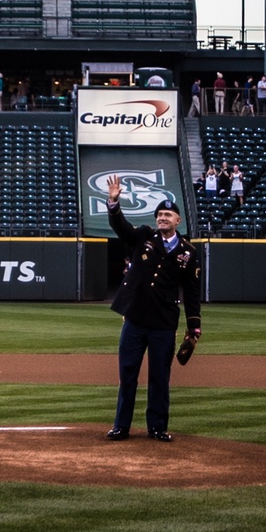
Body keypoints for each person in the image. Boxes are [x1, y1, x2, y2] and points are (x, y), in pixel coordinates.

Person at [104, 176, 201, 442]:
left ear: (178, 220)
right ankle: (121, 426)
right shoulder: (144, 236)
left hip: (163, 323)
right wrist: (114, 202)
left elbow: (192, 292)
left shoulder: (188, 252)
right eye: (159, 214)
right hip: (134, 319)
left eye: (168, 214)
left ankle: (157, 427)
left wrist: (194, 326)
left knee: (160, 378)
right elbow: (121, 228)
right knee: (128, 376)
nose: (162, 218)